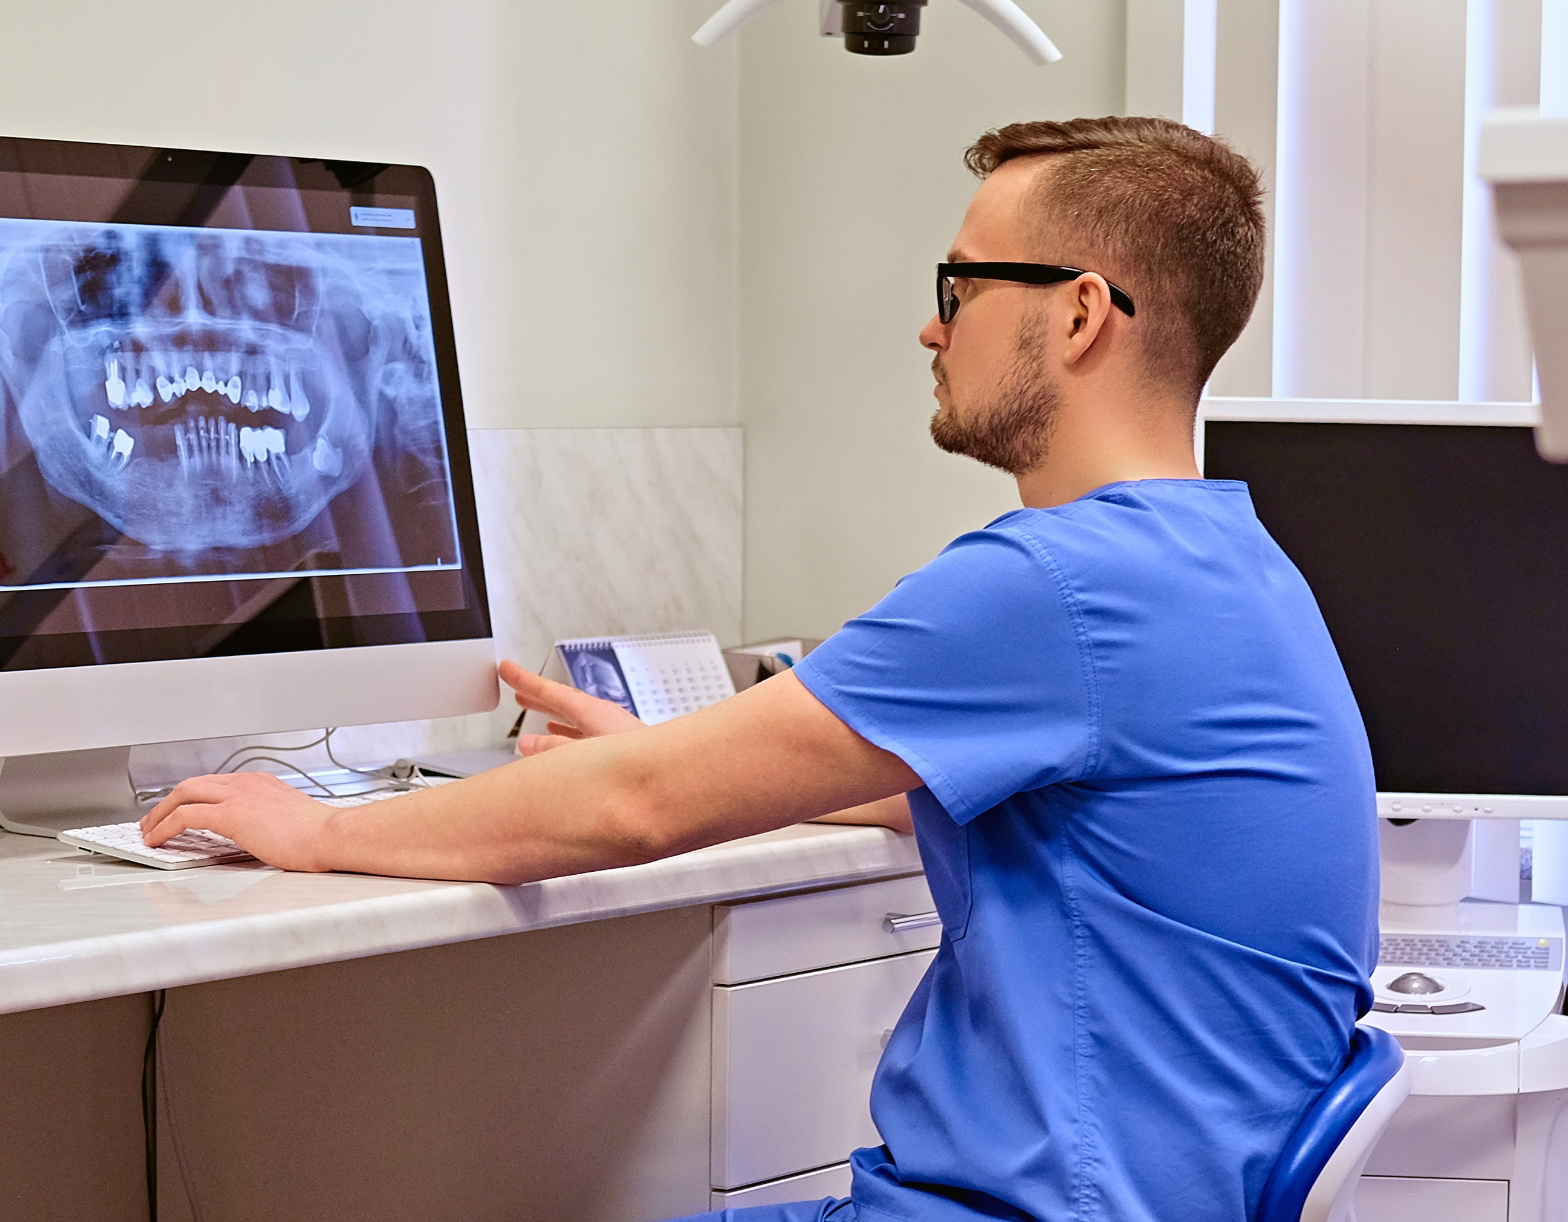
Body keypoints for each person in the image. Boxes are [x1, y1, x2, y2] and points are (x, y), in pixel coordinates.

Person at [140, 116, 1378, 1222]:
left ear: (1078, 310)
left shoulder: (1051, 583)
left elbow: (636, 815)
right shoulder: (1235, 562)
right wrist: (670, 751)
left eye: (961, 282)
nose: (932, 323)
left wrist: (314, 831)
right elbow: (946, 786)